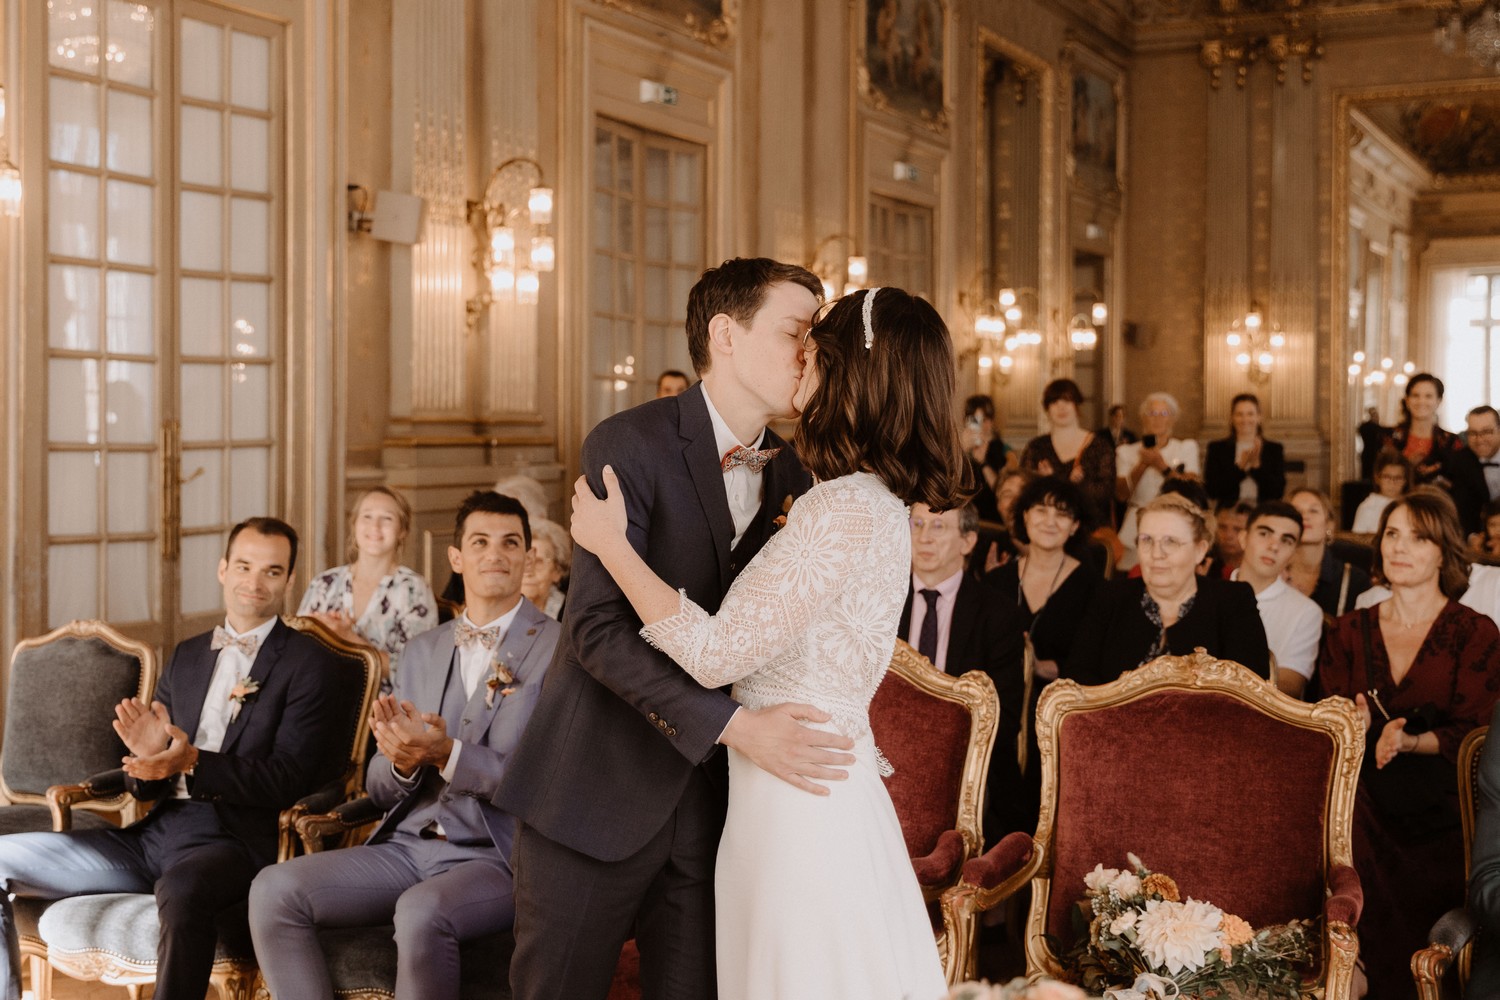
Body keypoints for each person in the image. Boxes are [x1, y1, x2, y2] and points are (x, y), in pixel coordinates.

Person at [569, 285, 967, 999]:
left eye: (812, 349)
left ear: (846, 373)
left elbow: (719, 653)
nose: (800, 360)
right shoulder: (871, 501)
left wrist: (611, 546)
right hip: (807, 783)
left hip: (797, 805)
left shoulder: (840, 506)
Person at [497, 258, 841, 1000]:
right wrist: (736, 728)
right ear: (725, 334)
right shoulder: (629, 443)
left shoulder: (795, 478)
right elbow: (594, 632)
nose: (810, 353)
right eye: (795, 332)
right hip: (596, 794)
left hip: (719, 819)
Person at [0, 518, 343, 1000]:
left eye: (271, 571)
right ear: (223, 570)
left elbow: (288, 777)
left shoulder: (310, 664)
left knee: (182, 897)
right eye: (244, 566)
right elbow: (148, 778)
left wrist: (189, 762)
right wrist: (145, 762)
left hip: (231, 841)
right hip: (152, 834)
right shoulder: (187, 655)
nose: (255, 582)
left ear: (289, 581)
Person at [249, 492, 561, 1000]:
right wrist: (398, 761)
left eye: (511, 543)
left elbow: (548, 782)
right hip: (408, 846)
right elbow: (377, 784)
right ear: (456, 558)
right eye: (479, 542)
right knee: (273, 890)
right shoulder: (421, 651)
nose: (496, 555)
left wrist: (446, 753)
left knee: (421, 910)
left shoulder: (561, 651)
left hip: (498, 858)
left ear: (528, 557)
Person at [1312, 489, 1500, 997]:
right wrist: (1347, 724)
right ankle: (1352, 972)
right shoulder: (1350, 630)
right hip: (1362, 807)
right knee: (1342, 815)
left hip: (1444, 809)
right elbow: (1316, 722)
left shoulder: (1475, 632)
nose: (1400, 547)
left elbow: (1481, 734)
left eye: (1418, 537)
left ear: (1445, 550)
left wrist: (1412, 741)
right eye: (1392, 534)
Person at [898, 501, 1027, 841]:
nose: (924, 538)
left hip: (969, 769)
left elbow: (1004, 717)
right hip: (884, 763)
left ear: (968, 542)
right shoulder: (878, 601)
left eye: (938, 527)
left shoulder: (998, 615)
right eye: (917, 525)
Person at [985, 476, 1100, 829]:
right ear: (1024, 516)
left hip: (1060, 722)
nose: (1050, 521)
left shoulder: (1095, 587)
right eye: (1041, 509)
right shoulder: (996, 580)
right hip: (999, 716)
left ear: (1075, 526)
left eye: (1062, 514)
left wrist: (1040, 667)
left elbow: (1094, 665)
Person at [1064, 493, 1269, 685]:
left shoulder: (1233, 601)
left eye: (1170, 542)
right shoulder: (1110, 596)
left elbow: (1251, 690)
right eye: (1147, 540)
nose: (1156, 553)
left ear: (1200, 550)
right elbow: (1078, 677)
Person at [298, 486, 438, 694]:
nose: (375, 526)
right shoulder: (324, 583)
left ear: (402, 531)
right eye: (367, 517)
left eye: (387, 519)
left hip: (383, 716)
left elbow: (417, 672)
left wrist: (348, 639)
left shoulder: (413, 589)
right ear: (354, 525)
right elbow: (297, 653)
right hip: (318, 702)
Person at [1230, 501, 1323, 698]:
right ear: (1244, 538)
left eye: (1286, 541)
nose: (1274, 546)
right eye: (1264, 534)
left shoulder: (1306, 612)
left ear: (1292, 554)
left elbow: (1291, 686)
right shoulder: (1206, 592)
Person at [1115, 392, 1201, 569]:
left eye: (1163, 414)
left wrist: (1162, 466)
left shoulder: (1185, 447)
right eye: (1152, 413)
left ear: (1173, 419)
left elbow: (1192, 488)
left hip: (1175, 521)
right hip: (1136, 525)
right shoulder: (1126, 451)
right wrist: (1142, 464)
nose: (1157, 419)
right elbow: (1121, 495)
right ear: (1143, 418)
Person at [1019, 378, 1116, 528]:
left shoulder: (1100, 446)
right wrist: (1046, 481)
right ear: (1047, 409)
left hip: (1090, 529)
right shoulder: (1037, 447)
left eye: (1067, 400)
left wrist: (1080, 483)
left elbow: (1106, 493)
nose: (1061, 407)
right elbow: (1024, 491)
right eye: (1054, 402)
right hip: (1048, 527)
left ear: (1076, 405)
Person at [1285, 488, 1372, 616]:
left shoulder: (1354, 580)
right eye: (1297, 511)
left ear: (1329, 524)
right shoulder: (1270, 575)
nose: (1305, 516)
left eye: (1313, 511)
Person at [1380, 373, 1467, 487]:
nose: (1421, 401)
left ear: (1439, 401)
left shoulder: (1451, 441)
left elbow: (1459, 483)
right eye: (1415, 395)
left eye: (1428, 396)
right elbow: (1378, 477)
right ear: (1407, 400)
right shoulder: (1389, 437)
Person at [1204, 392, 1286, 508]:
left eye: (1250, 414)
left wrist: (1256, 466)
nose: (1245, 419)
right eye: (1239, 414)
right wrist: (1241, 467)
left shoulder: (1274, 449)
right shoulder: (1217, 448)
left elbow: (1277, 492)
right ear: (1232, 418)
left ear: (1259, 417)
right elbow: (1212, 491)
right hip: (1228, 513)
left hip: (1262, 511)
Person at [964, 393, 1015, 522]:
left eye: (985, 419)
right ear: (967, 421)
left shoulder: (1001, 449)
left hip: (992, 517)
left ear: (992, 421)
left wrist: (983, 463)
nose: (981, 425)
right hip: (966, 514)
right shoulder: (958, 449)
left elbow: (1001, 491)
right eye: (976, 420)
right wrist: (962, 449)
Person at [1452, 404, 1500, 538]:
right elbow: (1462, 509)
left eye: (1486, 432)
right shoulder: (1460, 461)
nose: (1479, 440)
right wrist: (1472, 537)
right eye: (1473, 433)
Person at [521, 517, 570, 620]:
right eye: (523, 561)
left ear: (557, 571)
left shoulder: (571, 616)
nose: (528, 572)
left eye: (538, 562)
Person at [1351, 452, 1410, 533]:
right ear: (1377, 478)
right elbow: (1357, 540)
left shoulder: (1410, 506)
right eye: (1387, 477)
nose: (1392, 482)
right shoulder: (1367, 507)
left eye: (1398, 478)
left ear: (1405, 481)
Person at [1206, 501, 1252, 579]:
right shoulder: (1203, 563)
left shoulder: (1259, 567)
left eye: (1238, 529)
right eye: (1222, 527)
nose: (1228, 535)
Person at [1357, 404, 1386, 482]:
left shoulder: (1365, 426)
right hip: (1372, 454)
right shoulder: (1372, 427)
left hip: (1371, 453)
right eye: (1375, 414)